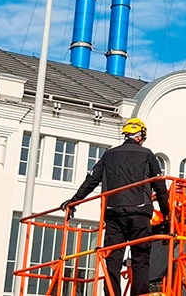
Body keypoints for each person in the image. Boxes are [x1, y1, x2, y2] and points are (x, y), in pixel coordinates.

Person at [57, 118, 171, 296]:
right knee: (140, 257)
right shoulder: (148, 155)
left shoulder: (109, 155)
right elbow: (160, 187)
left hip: (113, 213)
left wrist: (74, 200)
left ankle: (111, 294)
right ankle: (140, 294)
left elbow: (92, 180)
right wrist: (167, 213)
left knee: (113, 258)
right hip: (139, 213)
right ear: (141, 136)